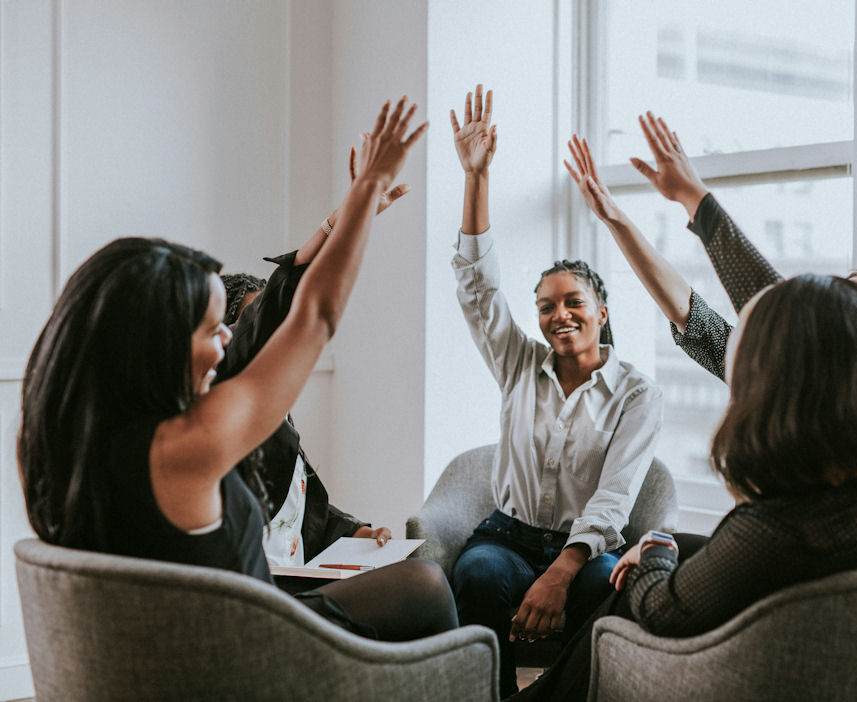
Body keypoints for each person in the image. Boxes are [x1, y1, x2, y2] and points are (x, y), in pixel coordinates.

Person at [18, 97, 456, 641]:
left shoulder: (63, 442)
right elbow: (313, 316)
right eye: (211, 329)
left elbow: (274, 317)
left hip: (178, 647)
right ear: (156, 345)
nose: (227, 340)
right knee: (425, 585)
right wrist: (366, 191)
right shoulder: (185, 447)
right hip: (248, 655)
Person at [511, 272, 857, 701]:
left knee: (633, 583)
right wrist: (696, 204)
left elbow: (664, 610)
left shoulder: (777, 523)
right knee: (673, 540)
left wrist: (652, 554)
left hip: (768, 672)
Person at [563, 118, 857, 559]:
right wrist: (620, 218)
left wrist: (695, 199)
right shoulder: (793, 380)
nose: (826, 316)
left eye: (849, 309)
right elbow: (693, 311)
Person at [449, 84, 665, 697]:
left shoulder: (636, 394)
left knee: (606, 589)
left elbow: (617, 496)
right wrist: (476, 177)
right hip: (509, 537)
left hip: (587, 548)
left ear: (602, 311)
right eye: (546, 306)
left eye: (575, 303)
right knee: (481, 573)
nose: (558, 315)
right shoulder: (518, 362)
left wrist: (564, 569)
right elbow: (476, 289)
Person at [218, 144, 405, 574]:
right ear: (233, 338)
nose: (287, 337)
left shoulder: (275, 408)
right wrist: (340, 223)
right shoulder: (224, 402)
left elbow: (300, 506)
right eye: (266, 326)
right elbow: (286, 302)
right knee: (424, 587)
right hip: (263, 587)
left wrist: (356, 531)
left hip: (296, 573)